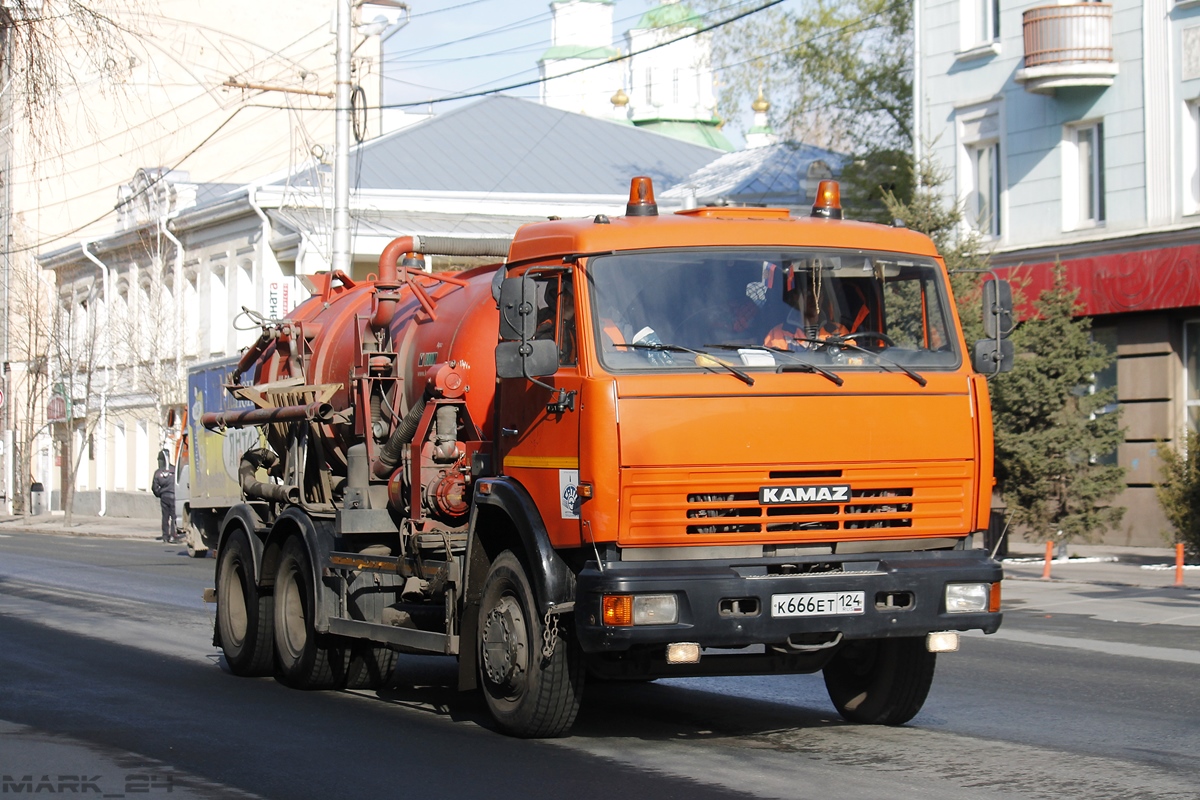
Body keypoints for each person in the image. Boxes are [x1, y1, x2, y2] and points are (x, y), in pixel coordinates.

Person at [151, 450, 180, 543]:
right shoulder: (175, 470)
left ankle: (165, 536)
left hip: (164, 497)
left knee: (165, 517)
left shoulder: (158, 472)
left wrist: (160, 493)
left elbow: (154, 487)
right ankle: (173, 535)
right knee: (174, 517)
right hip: (174, 496)